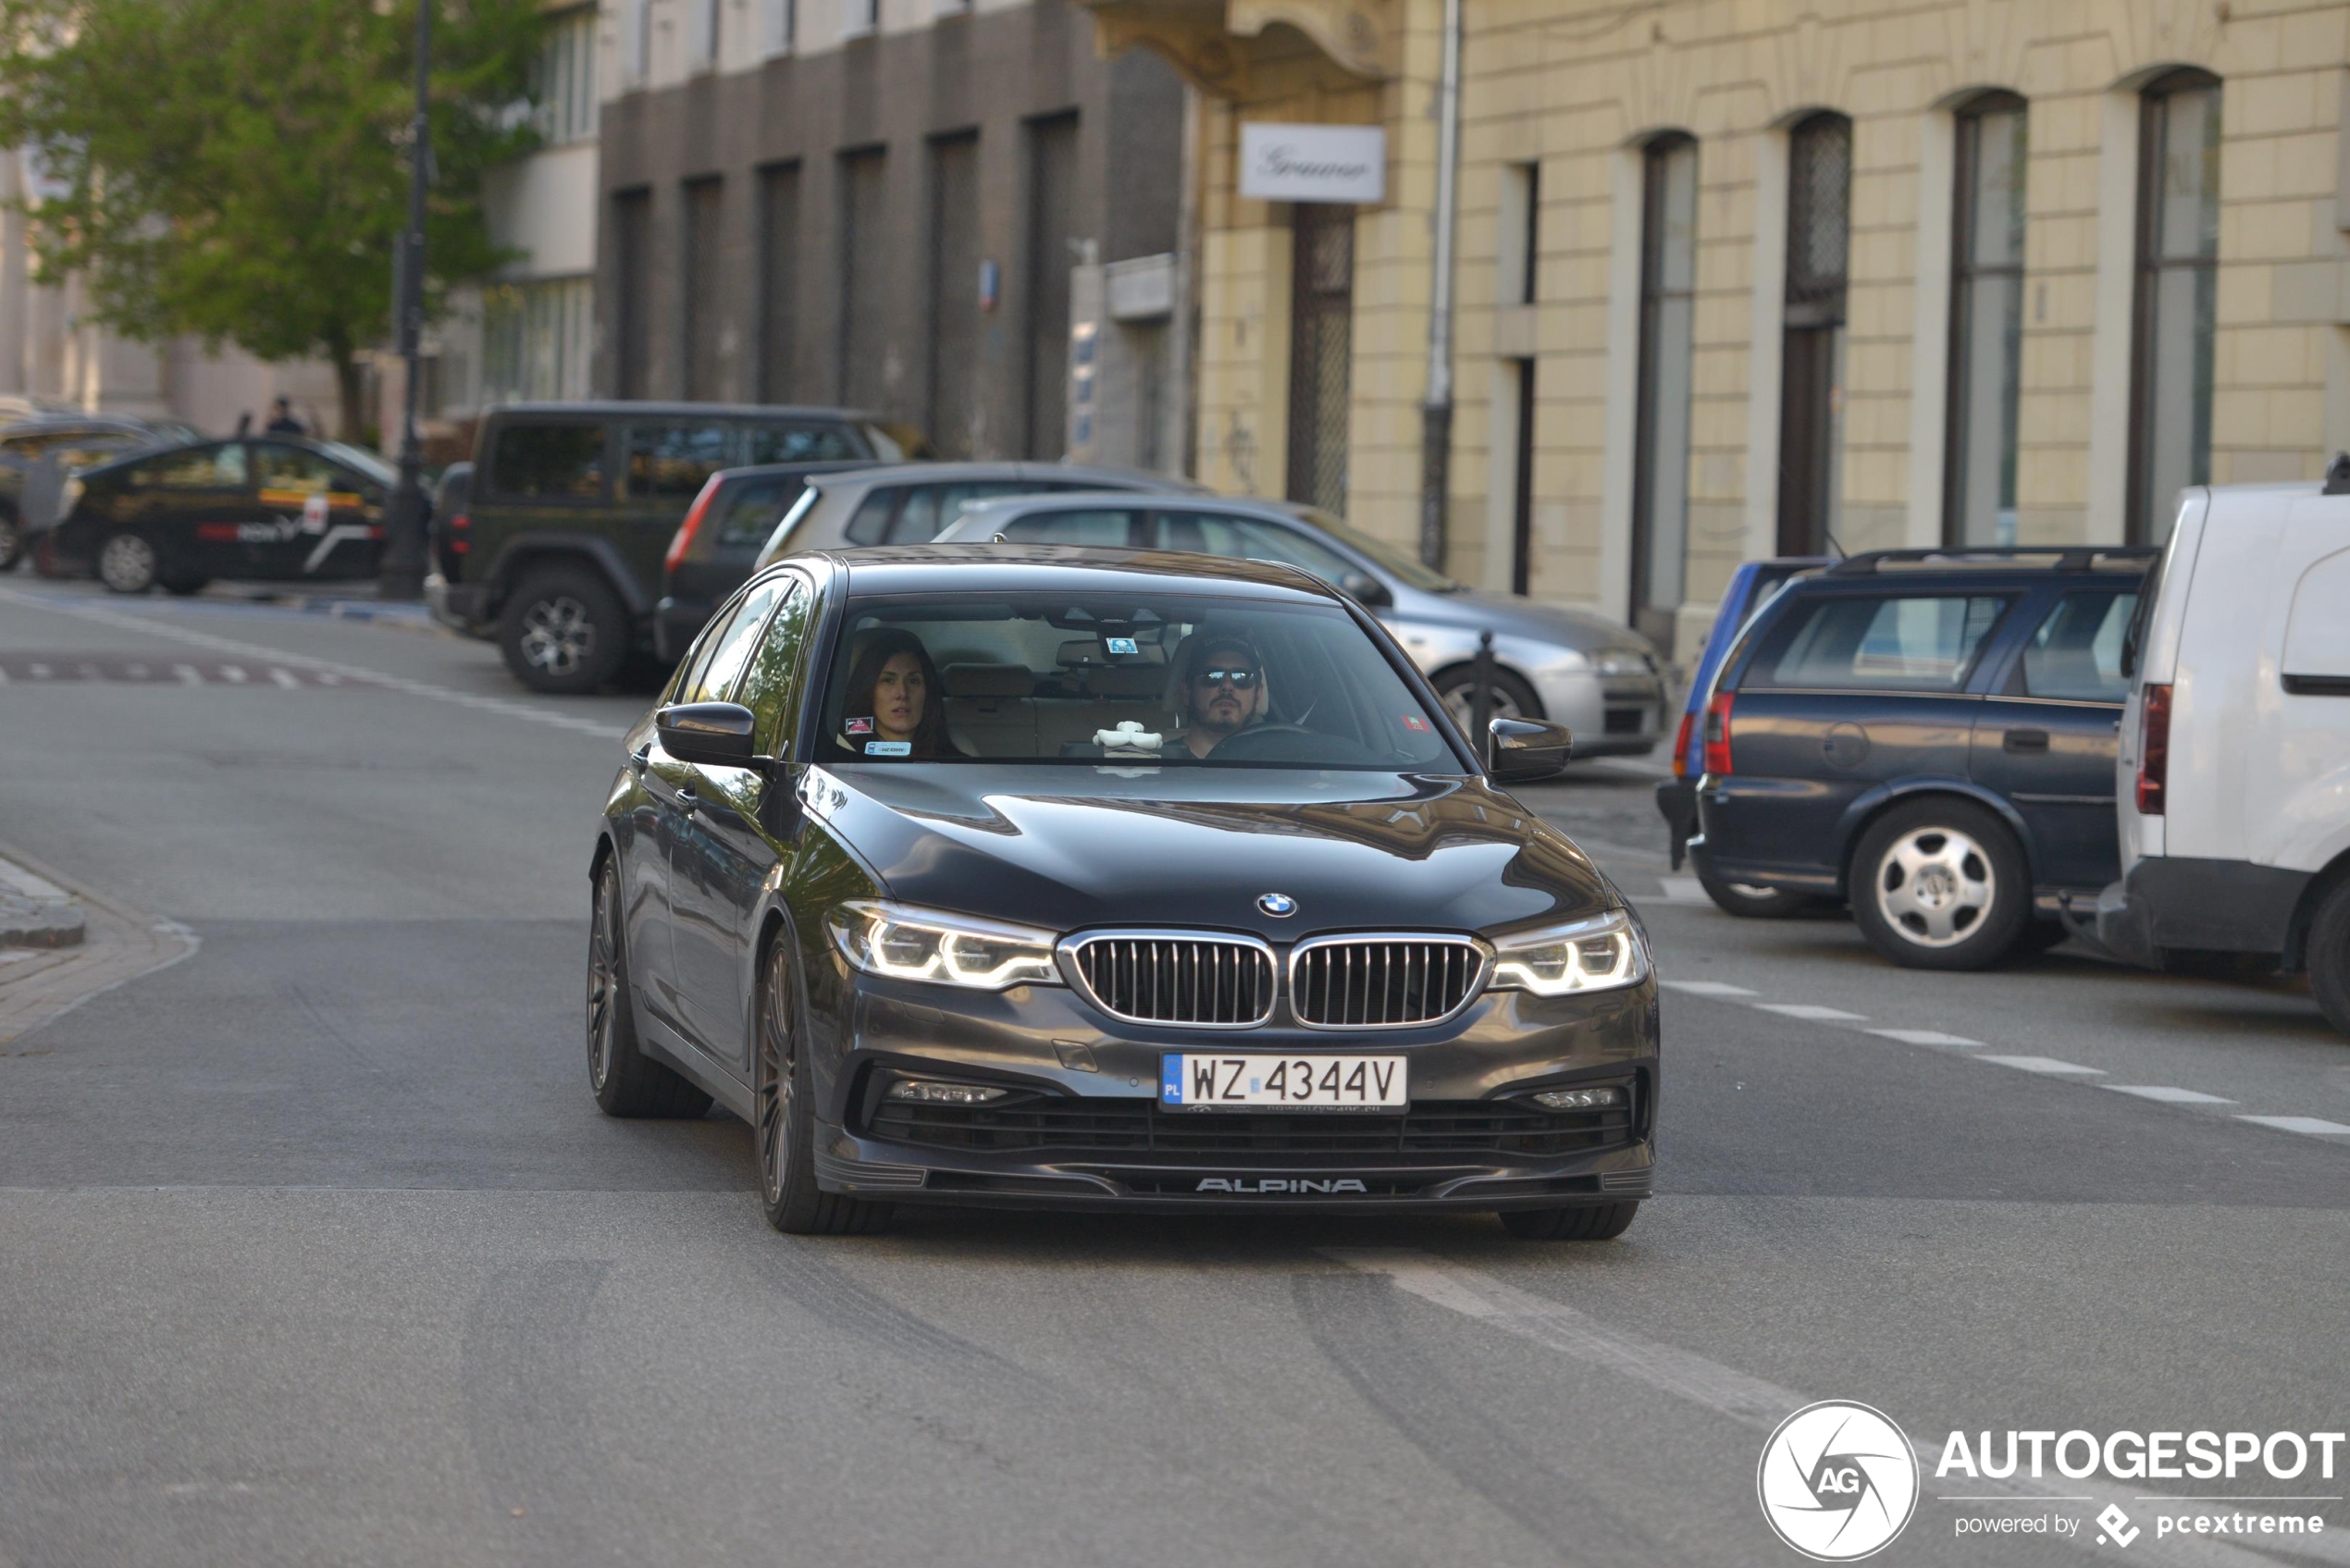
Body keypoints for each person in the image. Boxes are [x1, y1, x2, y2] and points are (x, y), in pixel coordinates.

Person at [836, 629, 958, 759]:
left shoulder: (955, 764)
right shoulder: (837, 760)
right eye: (888, 680)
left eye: (913, 681)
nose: (902, 693)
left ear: (928, 692)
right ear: (868, 690)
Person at [1172, 630, 1268, 759]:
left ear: (1258, 694)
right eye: (1212, 676)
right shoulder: (1154, 764)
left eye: (1241, 677)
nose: (1227, 686)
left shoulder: (1282, 766)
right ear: (1187, 690)